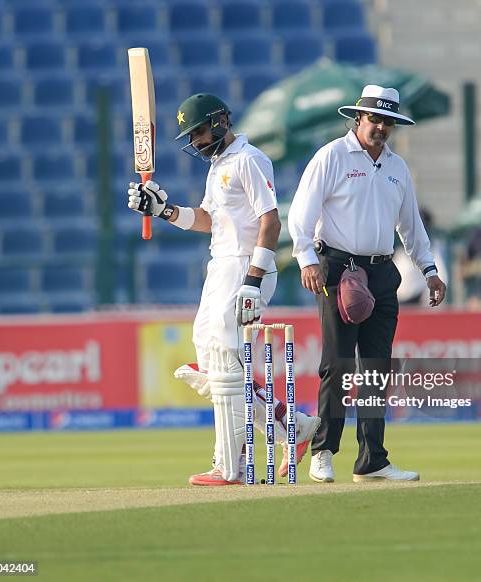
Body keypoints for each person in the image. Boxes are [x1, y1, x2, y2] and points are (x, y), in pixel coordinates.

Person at [128, 93, 320, 486]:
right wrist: (163, 210)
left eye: (198, 131)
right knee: (211, 351)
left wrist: (253, 279)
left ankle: (229, 464)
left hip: (244, 265)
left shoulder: (250, 159)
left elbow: (271, 222)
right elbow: (206, 220)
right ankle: (291, 424)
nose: (195, 140)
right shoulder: (217, 166)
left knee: (223, 358)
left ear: (219, 121)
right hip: (221, 264)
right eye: (190, 135)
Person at [288, 85, 447, 483]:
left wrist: (428, 270)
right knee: (337, 366)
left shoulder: (397, 167)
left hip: (381, 271)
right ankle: (323, 451)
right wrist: (307, 259)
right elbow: (300, 214)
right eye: (374, 119)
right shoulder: (332, 156)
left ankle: (372, 459)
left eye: (387, 121)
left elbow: (411, 226)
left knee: (376, 368)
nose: (380, 127)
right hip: (338, 267)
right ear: (357, 118)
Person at [394, 207, 448, 305]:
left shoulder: (433, 248)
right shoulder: (398, 250)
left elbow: (441, 276)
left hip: (416, 301)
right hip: (396, 299)